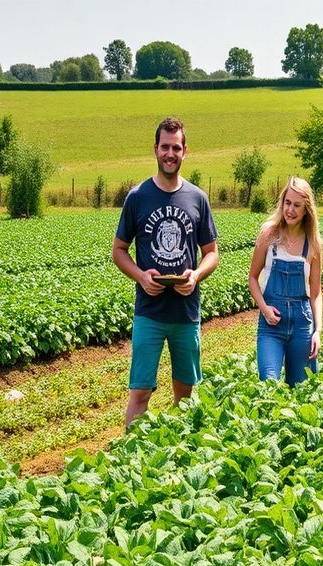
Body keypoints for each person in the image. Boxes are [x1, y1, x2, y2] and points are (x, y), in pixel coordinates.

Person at [112, 117, 219, 427]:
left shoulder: (197, 198)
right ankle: (131, 456)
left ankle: (178, 453)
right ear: (155, 149)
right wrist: (141, 276)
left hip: (186, 313)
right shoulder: (138, 197)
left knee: (185, 395)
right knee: (140, 393)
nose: (170, 153)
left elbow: (211, 253)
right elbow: (119, 251)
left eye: (176, 147)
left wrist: (197, 275)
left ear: (185, 151)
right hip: (150, 312)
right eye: (164, 147)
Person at [248, 177, 323, 385]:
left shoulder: (314, 245)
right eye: (287, 203)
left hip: (302, 324)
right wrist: (264, 308)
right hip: (271, 325)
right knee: (268, 384)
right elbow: (252, 278)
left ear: (306, 209)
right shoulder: (268, 234)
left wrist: (317, 331)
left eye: (296, 205)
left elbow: (316, 294)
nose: (289, 210)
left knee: (301, 389)